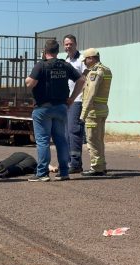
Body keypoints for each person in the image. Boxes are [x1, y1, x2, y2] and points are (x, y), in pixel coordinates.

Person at [25, 39, 85, 182]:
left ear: (45, 51)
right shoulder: (65, 65)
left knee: (43, 141)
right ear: (58, 51)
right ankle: (64, 172)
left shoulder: (40, 66)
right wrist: (72, 98)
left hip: (42, 108)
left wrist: (29, 79)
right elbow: (82, 80)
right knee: (61, 140)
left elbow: (30, 83)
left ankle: (42, 173)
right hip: (61, 107)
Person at [80, 48, 112, 176]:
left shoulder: (95, 72)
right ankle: (101, 166)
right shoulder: (106, 69)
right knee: (99, 139)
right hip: (102, 109)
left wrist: (83, 113)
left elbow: (90, 94)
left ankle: (96, 167)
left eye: (85, 60)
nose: (84, 62)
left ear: (91, 58)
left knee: (92, 140)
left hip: (93, 111)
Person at [63, 34, 86, 174]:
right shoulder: (66, 60)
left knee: (74, 131)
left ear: (76, 44)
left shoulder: (81, 59)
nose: (68, 46)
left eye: (71, 44)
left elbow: (85, 80)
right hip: (67, 101)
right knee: (65, 133)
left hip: (77, 100)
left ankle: (76, 163)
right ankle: (69, 162)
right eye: (66, 44)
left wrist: (76, 97)